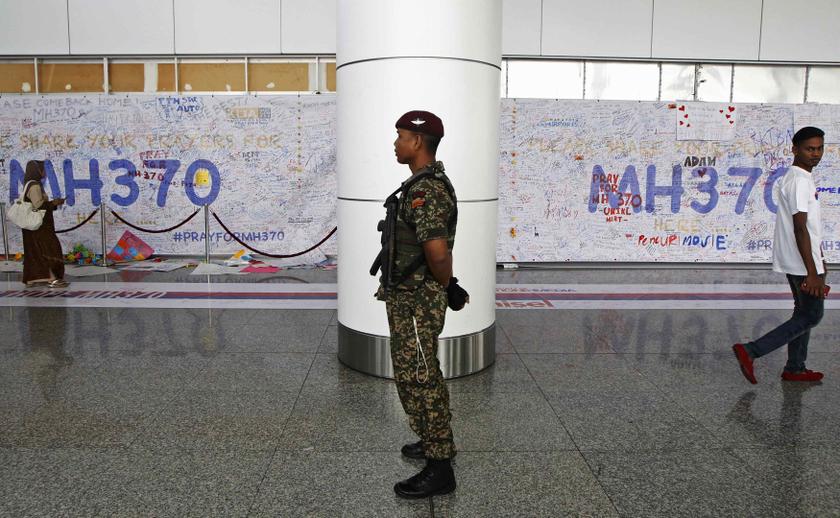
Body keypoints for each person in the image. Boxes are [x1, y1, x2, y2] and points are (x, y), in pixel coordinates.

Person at [375, 110, 459, 498]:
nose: (395, 143)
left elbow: (437, 253)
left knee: (422, 376)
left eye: (400, 136)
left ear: (417, 142)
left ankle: (440, 466)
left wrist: (445, 286)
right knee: (413, 372)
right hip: (408, 296)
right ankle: (430, 438)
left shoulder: (428, 191)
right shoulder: (417, 186)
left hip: (417, 300)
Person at [733, 126, 827, 384]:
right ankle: (751, 351)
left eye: (819, 148)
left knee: (802, 314)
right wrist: (812, 271)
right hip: (802, 263)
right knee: (811, 316)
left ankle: (795, 368)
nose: (815, 154)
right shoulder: (798, 180)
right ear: (795, 149)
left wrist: (820, 259)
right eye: (809, 149)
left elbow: (809, 228)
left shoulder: (801, 177)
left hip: (803, 259)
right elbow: (799, 228)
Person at [21, 160, 69, 288]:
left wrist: (52, 204)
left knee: (35, 251)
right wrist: (54, 203)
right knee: (48, 249)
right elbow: (39, 205)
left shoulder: (29, 184)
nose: (45, 172)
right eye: (43, 169)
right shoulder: (35, 186)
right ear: (37, 171)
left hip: (32, 226)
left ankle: (31, 279)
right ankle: (51, 278)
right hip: (39, 226)